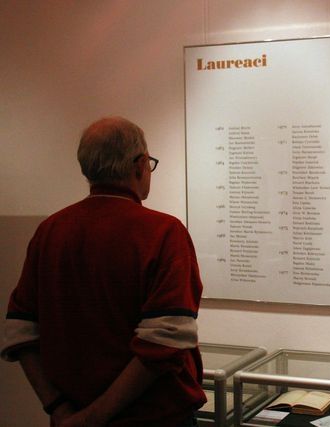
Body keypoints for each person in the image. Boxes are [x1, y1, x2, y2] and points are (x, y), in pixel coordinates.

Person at [1, 117, 206, 426]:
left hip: (69, 416)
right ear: (139, 165)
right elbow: (165, 342)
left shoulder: (50, 231)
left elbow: (20, 332)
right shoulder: (164, 232)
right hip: (154, 417)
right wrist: (92, 419)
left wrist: (60, 410)